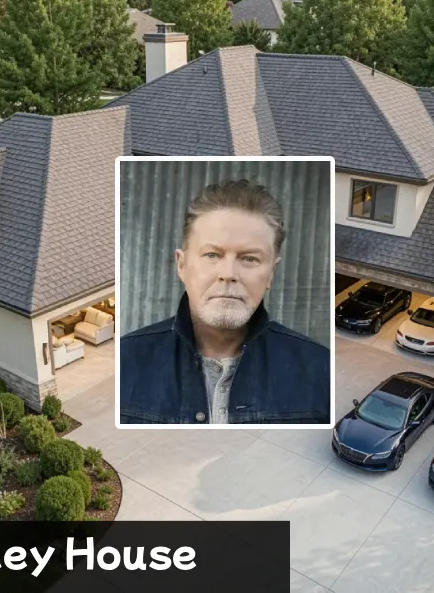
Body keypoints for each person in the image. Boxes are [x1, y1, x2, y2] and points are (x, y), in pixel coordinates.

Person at [119, 179, 331, 425]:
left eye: (249, 259)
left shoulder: (319, 370)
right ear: (182, 265)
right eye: (212, 255)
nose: (228, 273)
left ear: (271, 273)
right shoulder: (125, 361)